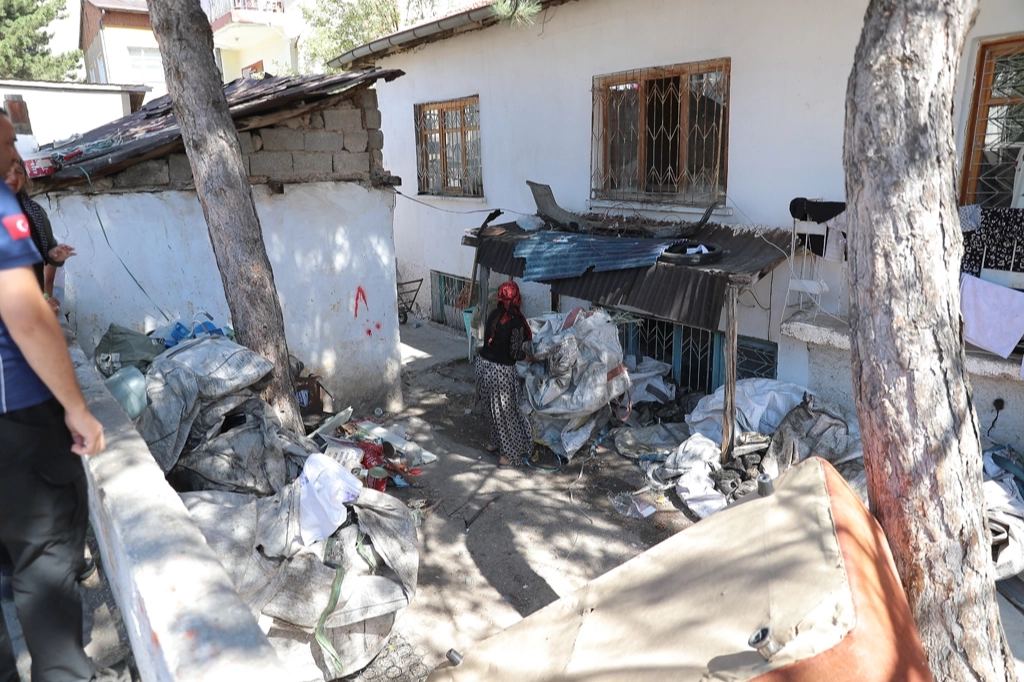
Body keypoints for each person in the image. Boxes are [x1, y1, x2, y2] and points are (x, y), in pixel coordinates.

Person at [0, 110, 108, 682]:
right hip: (16, 416)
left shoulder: (27, 209)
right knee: (44, 558)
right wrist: (77, 408)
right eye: (6, 144)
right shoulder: (2, 208)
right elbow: (25, 312)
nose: (14, 157)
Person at [475, 280, 534, 467]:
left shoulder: (494, 313)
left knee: (493, 410)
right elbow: (515, 353)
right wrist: (532, 358)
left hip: (482, 366)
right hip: (499, 373)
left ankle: (494, 443)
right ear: (517, 298)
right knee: (506, 414)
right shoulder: (516, 321)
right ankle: (506, 455)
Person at [5, 157, 75, 313]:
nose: (13, 177)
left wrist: (54, 254)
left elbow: (48, 251)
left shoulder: (35, 213)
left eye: (18, 172)